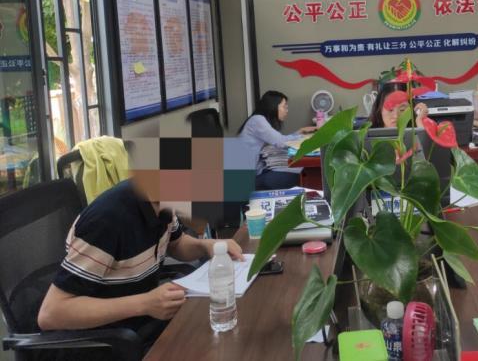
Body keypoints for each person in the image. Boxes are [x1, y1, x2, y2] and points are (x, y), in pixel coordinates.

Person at [37, 178, 243, 355]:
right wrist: (145, 303)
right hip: (102, 343)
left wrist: (207, 246)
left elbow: (176, 244)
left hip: (141, 327)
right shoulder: (107, 219)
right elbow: (51, 313)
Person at [238, 90, 315, 190]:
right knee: (301, 175)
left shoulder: (258, 120)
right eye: (284, 107)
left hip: (259, 171)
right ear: (273, 106)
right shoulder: (257, 120)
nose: (287, 110)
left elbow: (280, 140)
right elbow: (281, 142)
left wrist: (299, 132)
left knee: (301, 171)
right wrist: (303, 137)